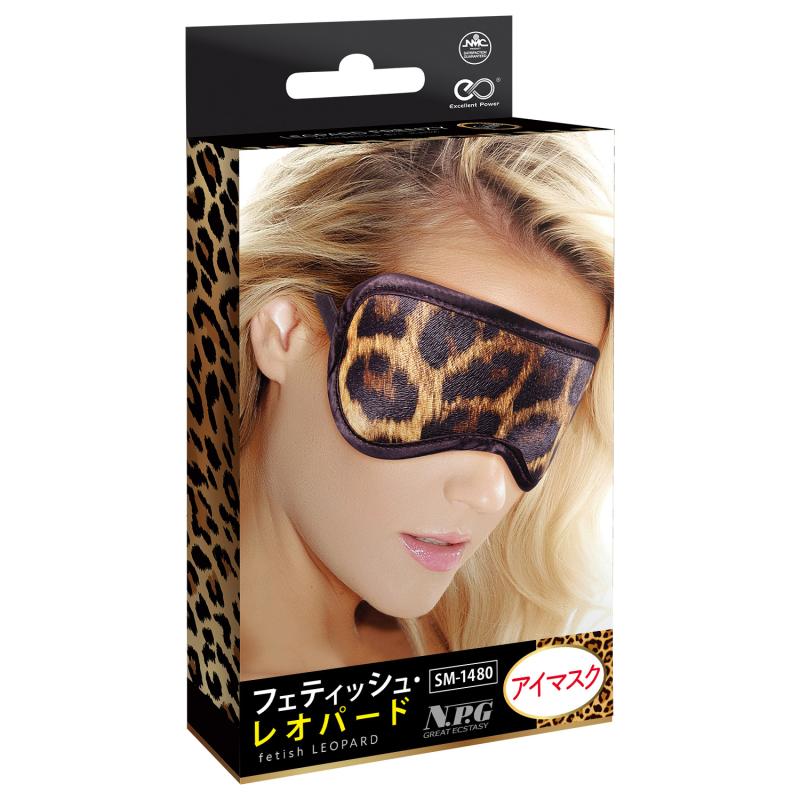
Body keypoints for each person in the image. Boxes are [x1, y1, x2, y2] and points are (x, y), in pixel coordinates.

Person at [238, 132, 613, 681]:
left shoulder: (483, 667)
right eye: (440, 397)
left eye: (541, 418)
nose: (489, 493)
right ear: (284, 334)